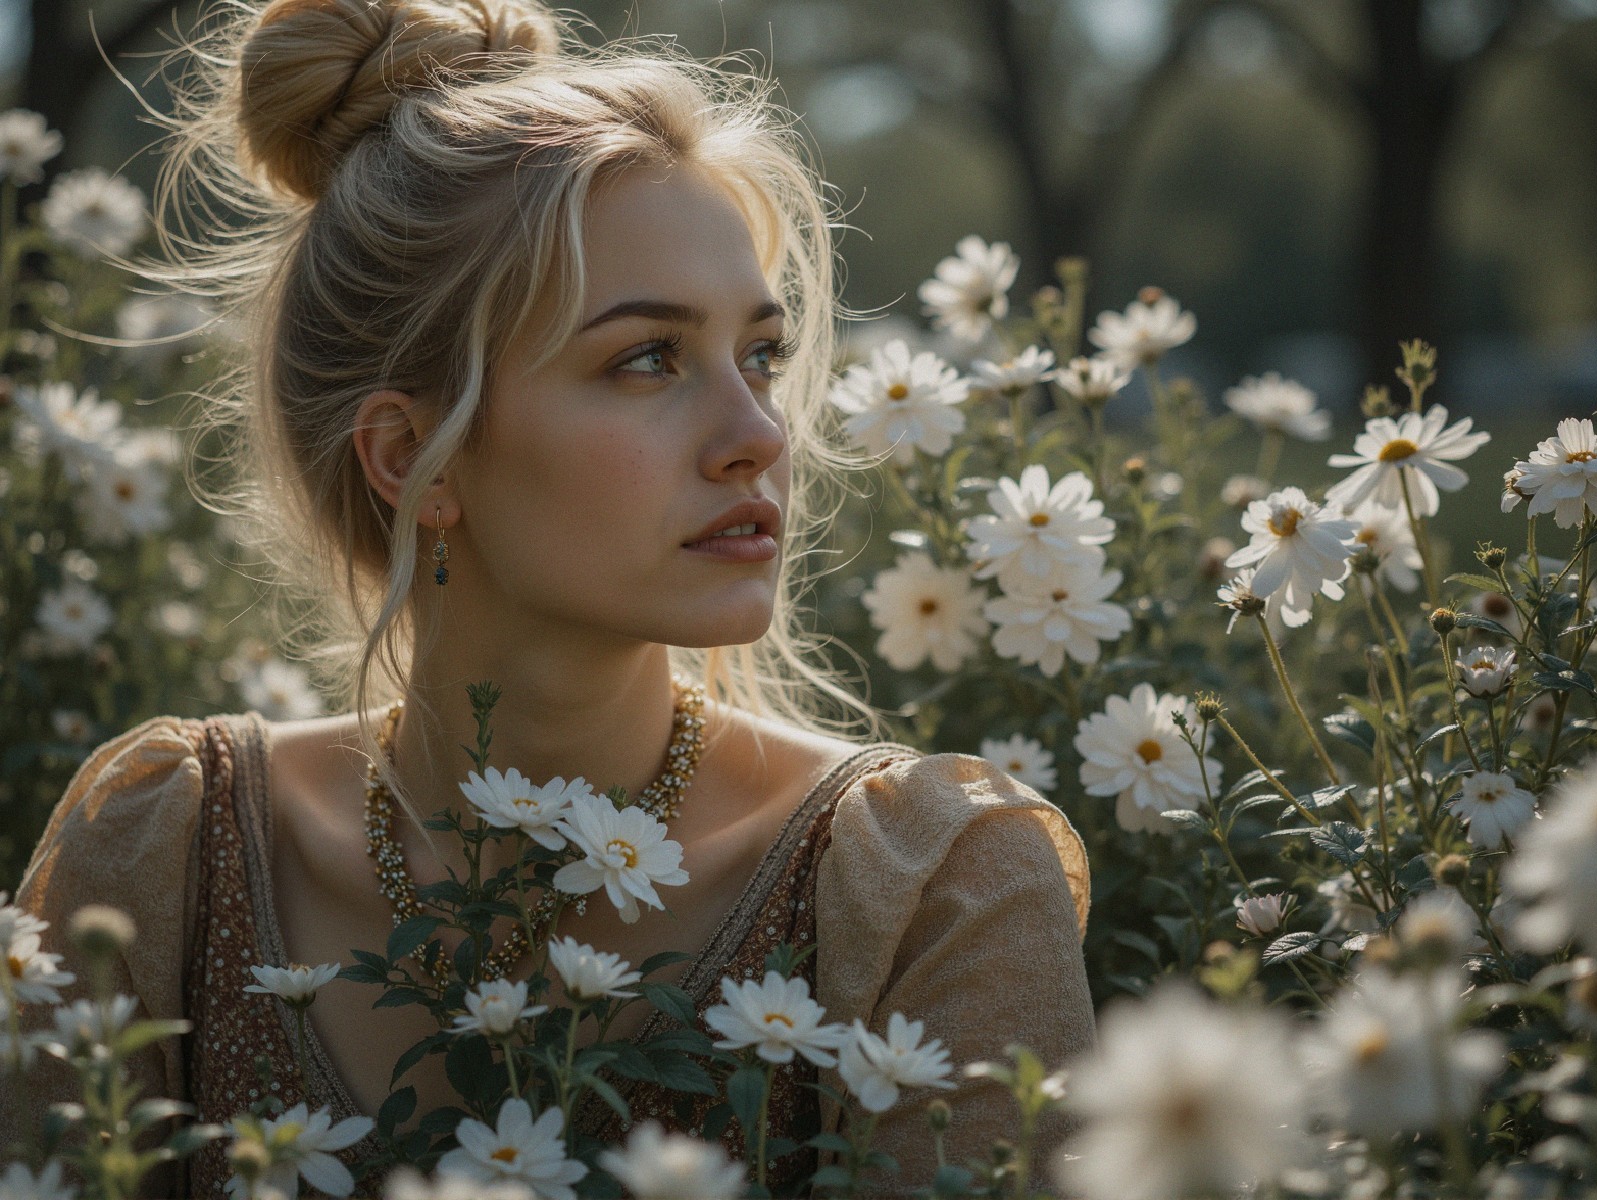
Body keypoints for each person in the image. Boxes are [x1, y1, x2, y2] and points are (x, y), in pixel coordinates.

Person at [3, 0, 1093, 1194]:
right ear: (410, 458)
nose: (755, 436)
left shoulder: (923, 885)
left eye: (761, 355)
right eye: (647, 360)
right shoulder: (167, 854)